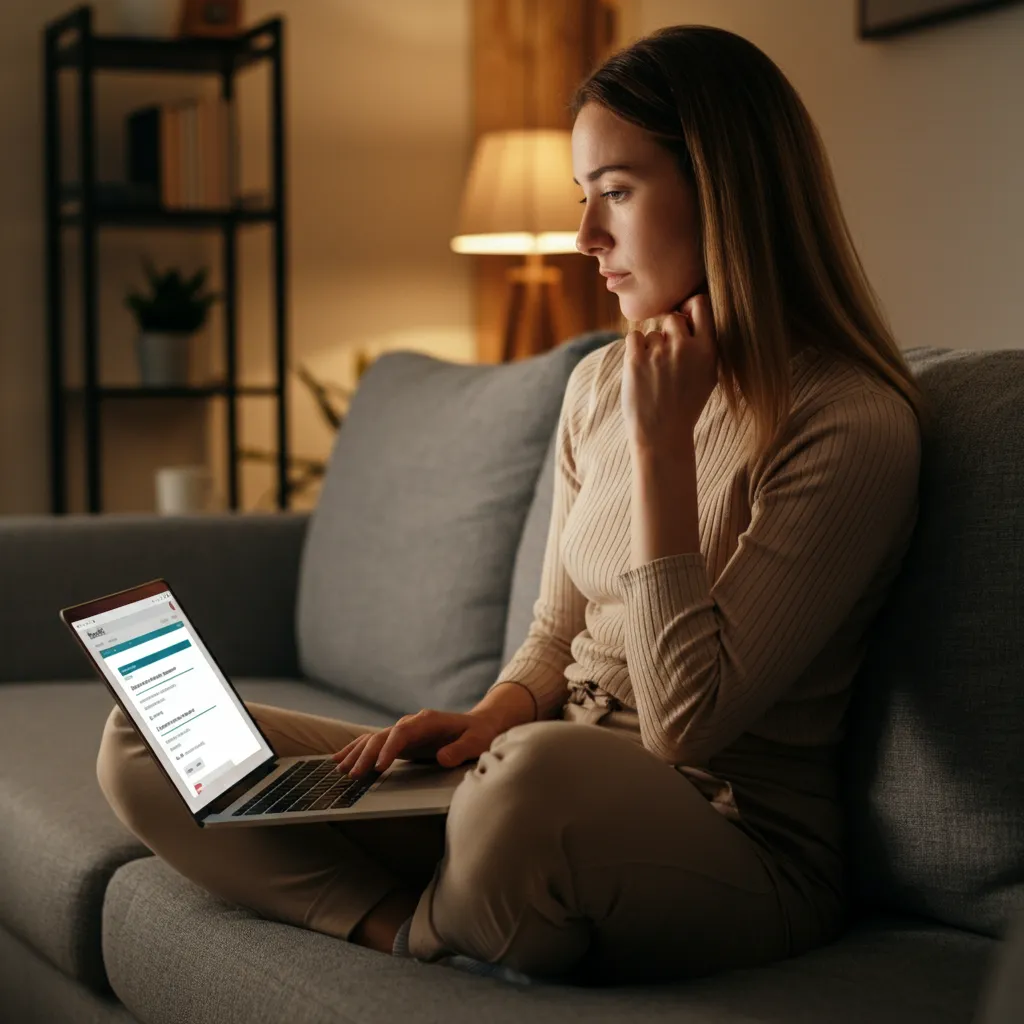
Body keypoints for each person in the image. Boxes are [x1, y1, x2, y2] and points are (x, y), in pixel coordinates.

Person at [96, 24, 929, 987]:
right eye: (584, 199)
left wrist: (663, 447)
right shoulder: (598, 384)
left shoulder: (850, 424)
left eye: (616, 192)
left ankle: (473, 891)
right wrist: (486, 715)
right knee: (149, 742)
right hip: (529, 781)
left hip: (729, 834)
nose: (586, 238)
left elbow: (684, 724)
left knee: (528, 786)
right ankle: (409, 927)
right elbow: (554, 632)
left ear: (725, 191)